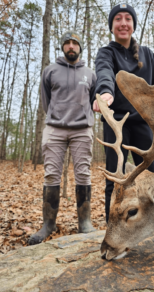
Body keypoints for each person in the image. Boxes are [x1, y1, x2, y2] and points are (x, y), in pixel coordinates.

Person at [93, 4, 154, 223]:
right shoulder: (106, 52)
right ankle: (112, 231)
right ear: (112, 26)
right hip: (116, 124)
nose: (123, 23)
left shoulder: (147, 54)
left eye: (128, 19)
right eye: (118, 19)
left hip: (144, 123)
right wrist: (105, 93)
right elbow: (104, 73)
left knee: (152, 178)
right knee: (116, 179)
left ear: (133, 25)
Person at [29, 30, 96, 245]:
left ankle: (84, 222)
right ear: (62, 47)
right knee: (51, 176)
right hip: (55, 129)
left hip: (82, 129)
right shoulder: (50, 71)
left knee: (83, 175)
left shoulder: (90, 73)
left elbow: (93, 101)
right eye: (67, 43)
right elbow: (46, 100)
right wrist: (57, 118)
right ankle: (49, 224)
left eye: (75, 43)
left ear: (80, 47)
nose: (71, 46)